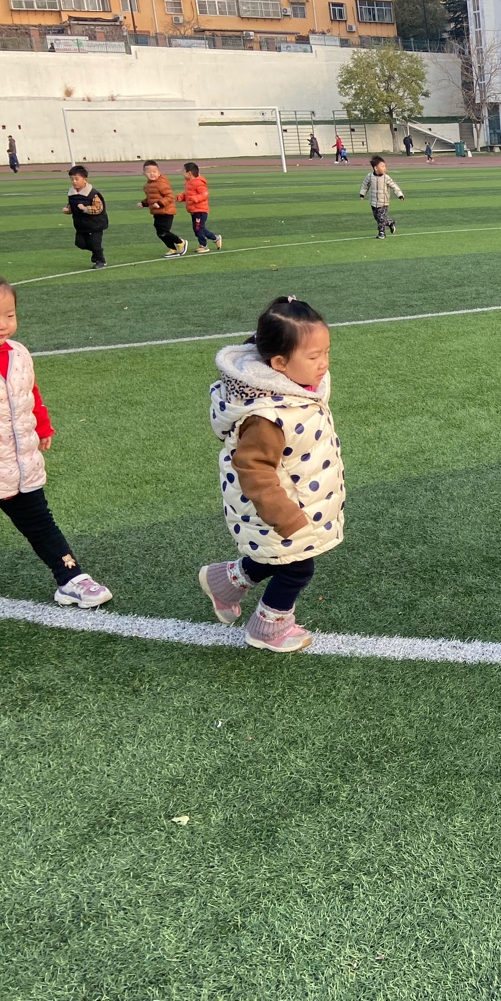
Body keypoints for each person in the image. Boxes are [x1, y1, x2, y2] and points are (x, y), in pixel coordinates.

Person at [0, 262, 113, 614]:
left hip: (20, 466)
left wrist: (42, 426)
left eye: (9, 315)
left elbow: (29, 393)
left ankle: (71, 578)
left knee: (41, 524)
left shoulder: (17, 352)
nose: (3, 324)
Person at [198, 297, 342, 653]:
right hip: (277, 510)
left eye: (326, 353)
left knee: (275, 558)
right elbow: (253, 469)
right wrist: (285, 516)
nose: (324, 364)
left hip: (298, 499)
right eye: (313, 357)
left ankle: (225, 582)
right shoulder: (267, 415)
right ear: (279, 363)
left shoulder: (296, 391)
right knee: (297, 569)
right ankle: (268, 627)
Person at [62, 165, 108, 270]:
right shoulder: (72, 194)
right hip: (81, 225)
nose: (74, 182)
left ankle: (100, 261)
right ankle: (96, 251)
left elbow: (99, 208)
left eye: (76, 179)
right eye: (72, 179)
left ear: (85, 180)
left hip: (95, 224)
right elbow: (71, 206)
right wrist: (68, 210)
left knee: (94, 243)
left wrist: (86, 209)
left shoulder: (93, 194)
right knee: (80, 243)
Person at [138, 160, 187, 258]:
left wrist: (160, 204)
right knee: (160, 233)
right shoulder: (147, 186)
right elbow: (151, 199)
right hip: (157, 213)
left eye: (154, 171)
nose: (152, 174)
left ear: (159, 172)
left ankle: (181, 242)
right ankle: (172, 248)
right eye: (149, 172)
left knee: (164, 231)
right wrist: (143, 203)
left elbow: (170, 197)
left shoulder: (161, 184)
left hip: (166, 211)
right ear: (144, 173)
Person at [177, 162, 223, 254]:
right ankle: (215, 238)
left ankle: (203, 245)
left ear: (189, 173)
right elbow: (189, 194)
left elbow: (204, 194)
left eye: (183, 171)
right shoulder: (189, 183)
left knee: (198, 229)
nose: (181, 172)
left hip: (200, 210)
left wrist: (195, 198)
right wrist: (182, 197)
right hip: (194, 210)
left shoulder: (198, 182)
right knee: (199, 229)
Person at [360, 155, 405, 238]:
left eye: (385, 166)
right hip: (373, 202)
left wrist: (400, 195)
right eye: (382, 166)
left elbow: (394, 186)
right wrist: (362, 193)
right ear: (375, 168)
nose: (385, 168)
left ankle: (382, 233)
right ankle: (390, 222)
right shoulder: (369, 176)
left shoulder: (386, 178)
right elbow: (365, 185)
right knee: (377, 218)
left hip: (383, 202)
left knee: (381, 218)